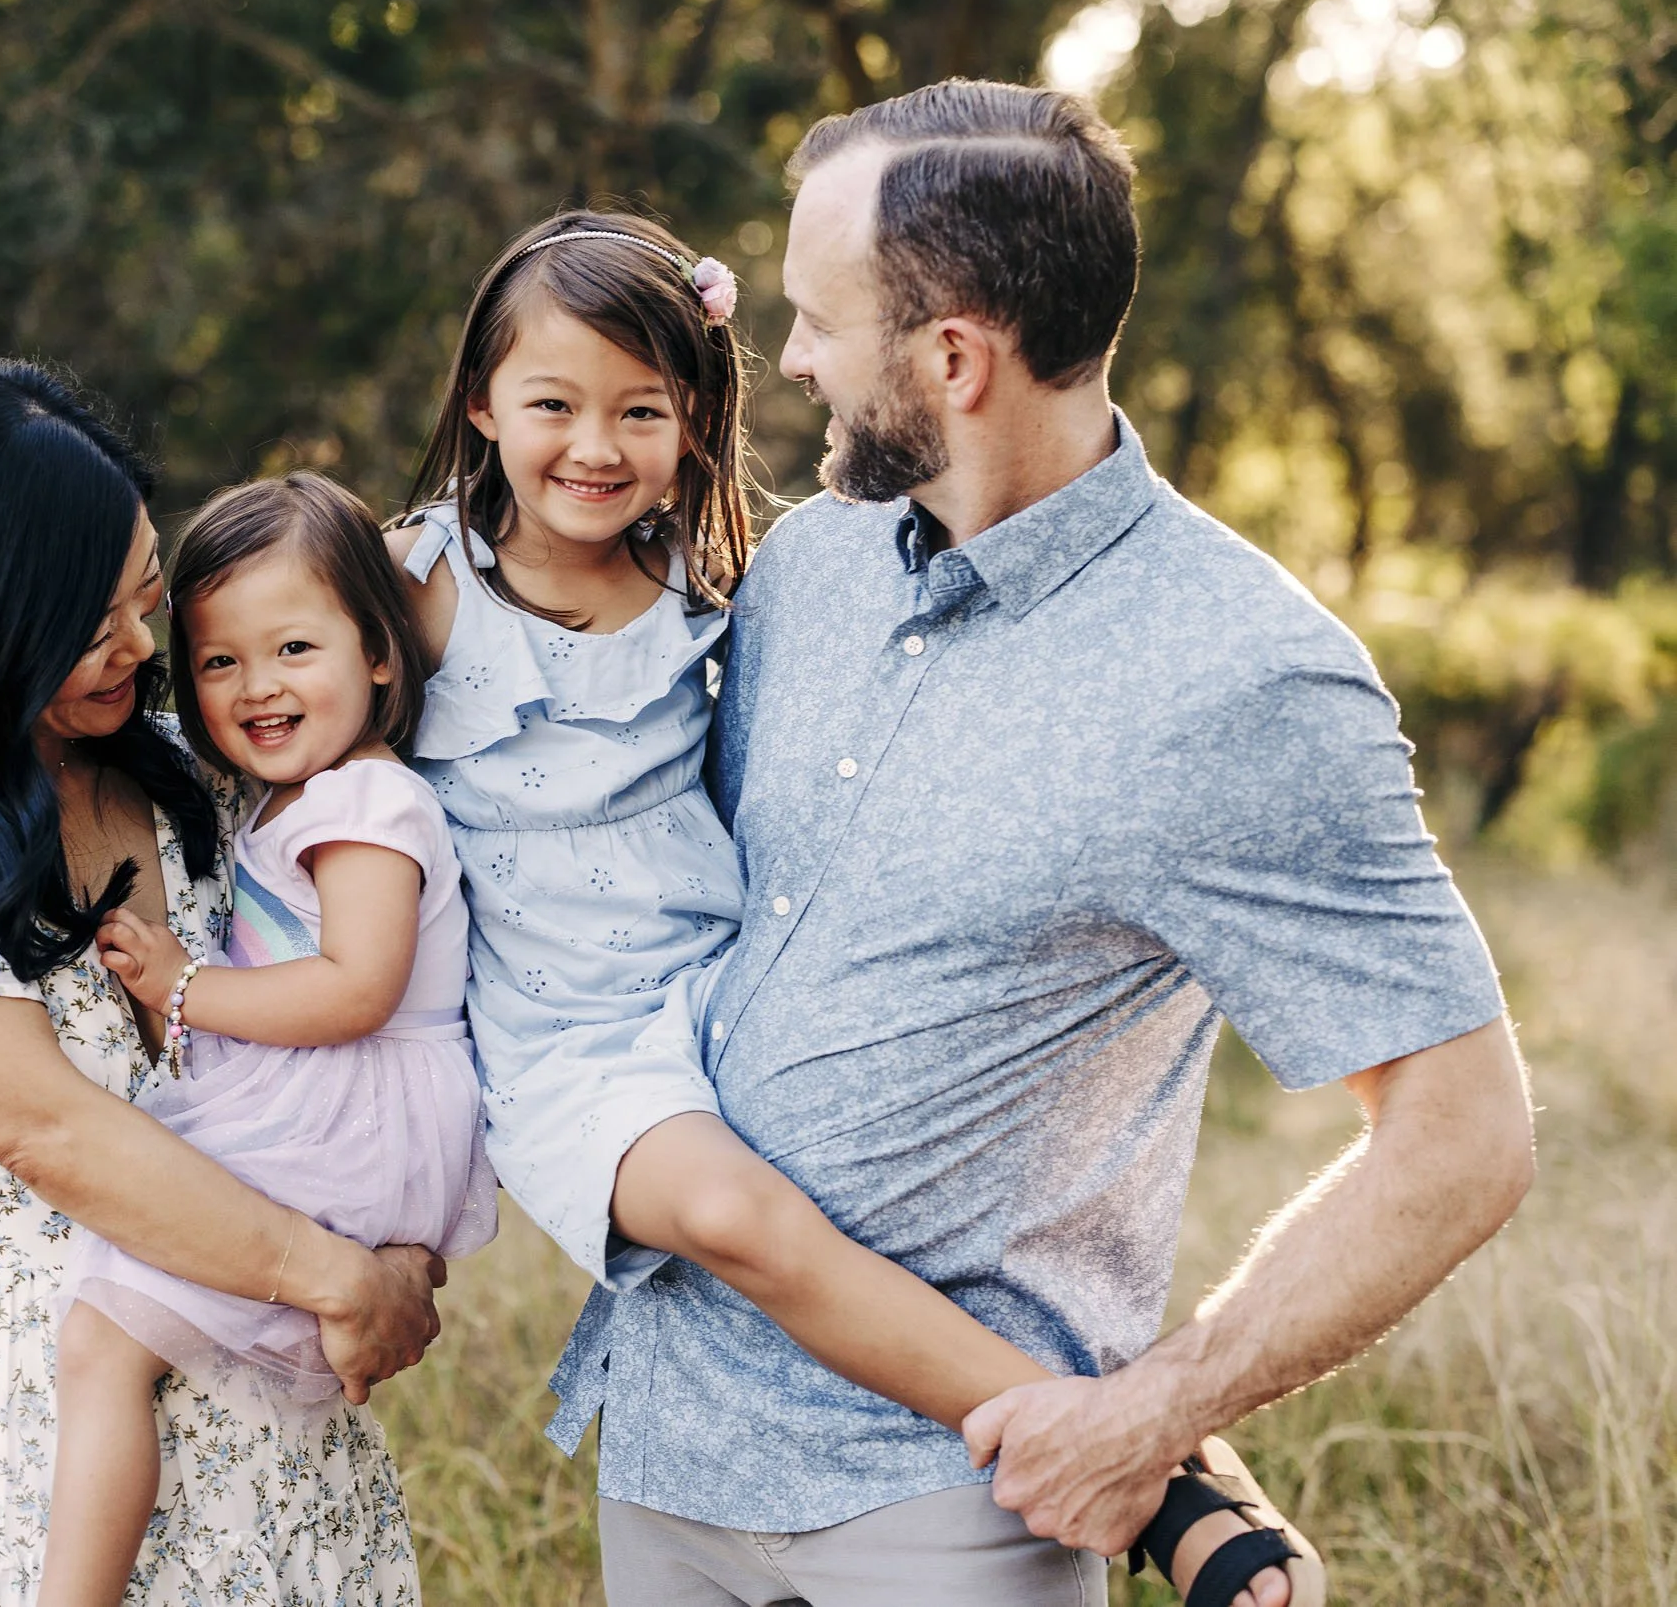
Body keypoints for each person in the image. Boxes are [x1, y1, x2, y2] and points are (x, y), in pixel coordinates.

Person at [541, 81, 1534, 1604]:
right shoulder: (808, 565)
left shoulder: (1241, 675)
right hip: (668, 1459)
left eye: (818, 318)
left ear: (954, 356)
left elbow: (1466, 1134)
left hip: (950, 1513)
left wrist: (1159, 1418)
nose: (790, 355)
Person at [389, 208, 1314, 1605]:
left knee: (830, 1196)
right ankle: (1153, 1467)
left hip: (712, 988)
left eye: (642, 408)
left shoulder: (708, 584)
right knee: (739, 1215)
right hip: (562, 1033)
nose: (595, 444)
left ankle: (1124, 1425)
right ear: (479, 404)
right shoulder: (422, 583)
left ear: (697, 424)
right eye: (552, 404)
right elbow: (274, 728)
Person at [0, 362, 446, 1607]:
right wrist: (339, 1277)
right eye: (85, 619)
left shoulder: (195, 763)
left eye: (145, 593)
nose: (139, 647)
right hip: (47, 1455)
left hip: (281, 1446)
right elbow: (38, 1124)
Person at [37, 473, 499, 1607]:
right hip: (334, 1103)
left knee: (102, 1338)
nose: (258, 687)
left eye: (296, 646)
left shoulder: (365, 809)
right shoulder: (290, 797)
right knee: (125, 1335)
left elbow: (354, 989)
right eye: (219, 661)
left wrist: (185, 986)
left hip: (351, 1102)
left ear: (381, 655)